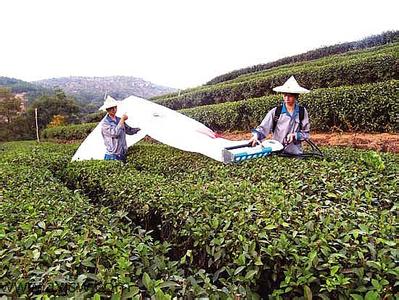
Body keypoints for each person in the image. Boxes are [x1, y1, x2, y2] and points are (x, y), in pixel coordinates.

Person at [250, 76, 310, 155]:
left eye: (290, 95)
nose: (287, 98)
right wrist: (256, 136)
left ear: (296, 96)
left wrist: (294, 135)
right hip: (277, 152)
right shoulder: (276, 111)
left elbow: (306, 134)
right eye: (285, 95)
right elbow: (263, 128)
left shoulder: (302, 112)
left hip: (295, 153)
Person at [100, 95, 140, 162]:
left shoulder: (118, 119)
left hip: (122, 152)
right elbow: (115, 133)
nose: (113, 109)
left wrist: (139, 129)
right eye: (111, 108)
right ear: (107, 110)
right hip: (112, 154)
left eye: (115, 107)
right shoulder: (105, 123)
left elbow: (129, 130)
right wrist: (122, 120)